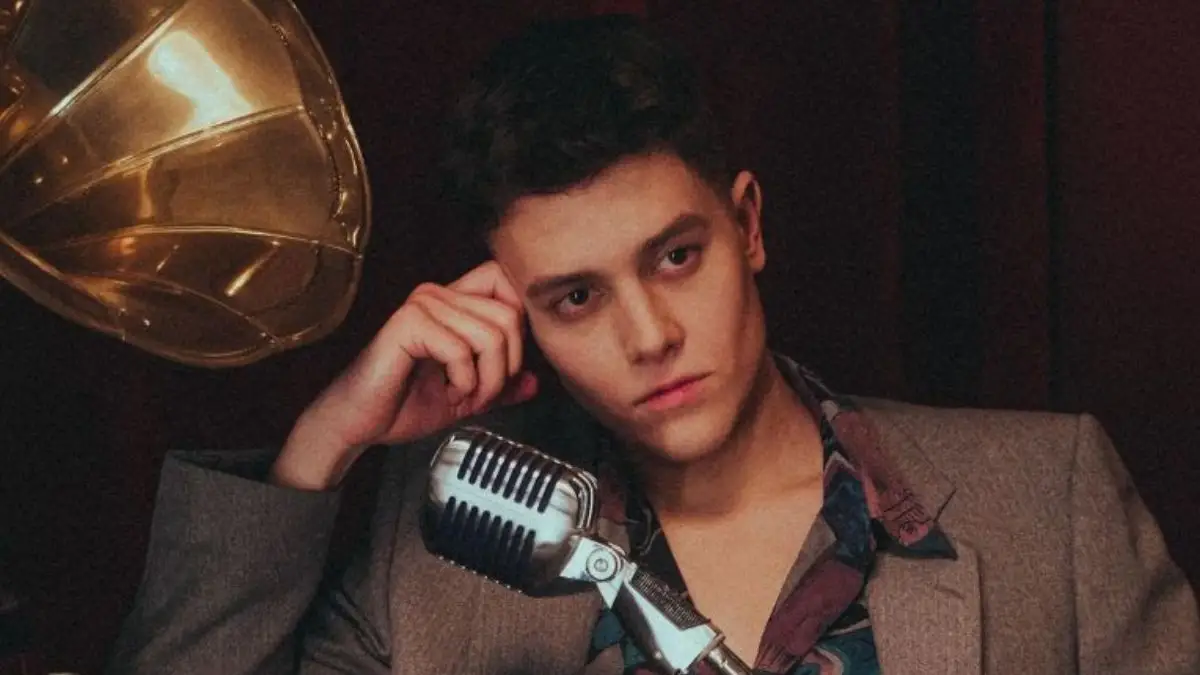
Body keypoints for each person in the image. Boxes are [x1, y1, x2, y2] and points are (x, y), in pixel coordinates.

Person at [105, 14, 1199, 675]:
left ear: (748, 226)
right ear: (518, 315)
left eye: (676, 257)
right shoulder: (428, 557)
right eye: (577, 297)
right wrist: (323, 442)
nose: (650, 336)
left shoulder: (1046, 499)